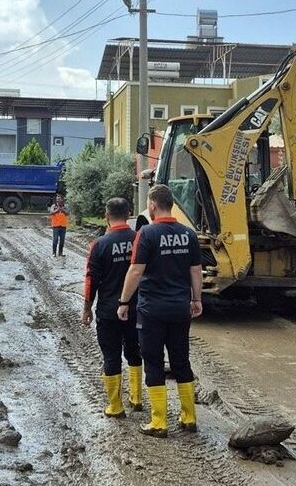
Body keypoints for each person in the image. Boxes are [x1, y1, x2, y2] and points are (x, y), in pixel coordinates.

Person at [118, 184, 202, 438]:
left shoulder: (147, 233)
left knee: (153, 361)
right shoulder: (189, 235)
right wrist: (196, 299)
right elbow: (196, 271)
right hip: (179, 308)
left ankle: (159, 422)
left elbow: (135, 271)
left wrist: (124, 302)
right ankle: (189, 417)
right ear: (172, 204)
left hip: (152, 309)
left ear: (153, 205)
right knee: (181, 360)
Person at [82, 197, 143, 418]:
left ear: (107, 216)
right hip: (136, 309)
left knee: (111, 355)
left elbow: (91, 280)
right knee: (135, 351)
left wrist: (87, 308)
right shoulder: (139, 239)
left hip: (108, 311)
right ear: (128, 215)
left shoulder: (99, 245)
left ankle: (115, 406)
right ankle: (136, 398)